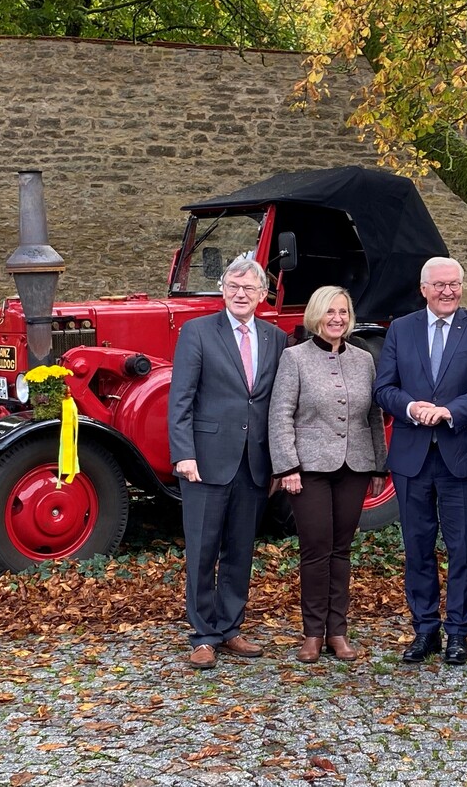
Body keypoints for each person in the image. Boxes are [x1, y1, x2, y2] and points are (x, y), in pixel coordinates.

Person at [374, 257, 467, 666]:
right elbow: (384, 387)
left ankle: (459, 633)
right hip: (412, 456)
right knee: (417, 546)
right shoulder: (401, 329)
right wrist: (412, 407)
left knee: (463, 547)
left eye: (454, 284)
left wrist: (449, 411)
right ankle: (424, 628)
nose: (448, 291)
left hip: (460, 455)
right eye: (440, 284)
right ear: (424, 288)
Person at [168, 257, 285, 670]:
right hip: (205, 461)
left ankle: (230, 627)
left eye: (249, 288)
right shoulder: (197, 332)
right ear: (222, 290)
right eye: (234, 286)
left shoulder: (276, 338)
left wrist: (279, 463)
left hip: (254, 463)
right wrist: (183, 454)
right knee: (202, 550)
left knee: (240, 550)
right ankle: (203, 635)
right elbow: (180, 398)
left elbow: (277, 406)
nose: (240, 294)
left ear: (262, 296)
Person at [269, 286, 388, 663]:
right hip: (309, 470)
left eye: (343, 312)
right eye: (330, 312)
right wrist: (286, 465)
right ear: (316, 315)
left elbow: (373, 416)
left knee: (341, 549)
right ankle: (312, 634)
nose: (337, 318)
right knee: (316, 549)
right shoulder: (295, 359)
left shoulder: (364, 360)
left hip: (354, 466)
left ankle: (338, 632)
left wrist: (379, 464)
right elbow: (280, 415)